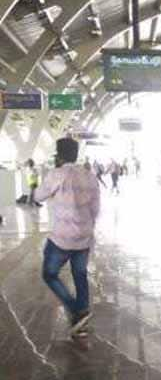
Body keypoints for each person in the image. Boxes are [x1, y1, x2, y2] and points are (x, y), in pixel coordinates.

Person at [34, 137, 101, 337]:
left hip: (61, 238)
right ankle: (82, 319)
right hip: (84, 236)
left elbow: (38, 196)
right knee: (80, 274)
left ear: (59, 155)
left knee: (50, 273)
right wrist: (86, 226)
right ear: (76, 153)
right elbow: (96, 208)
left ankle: (76, 310)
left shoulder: (56, 175)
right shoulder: (89, 176)